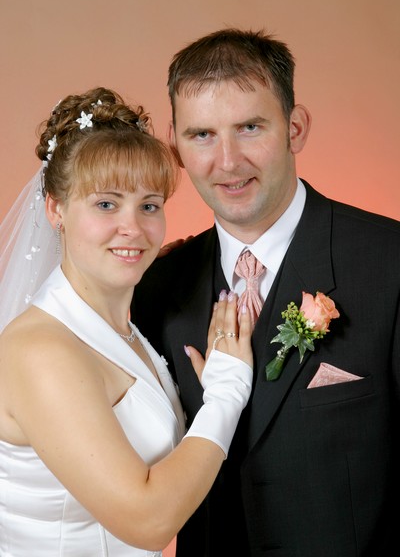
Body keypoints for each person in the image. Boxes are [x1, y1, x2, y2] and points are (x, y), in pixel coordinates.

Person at [131, 28, 400, 557]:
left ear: (295, 128)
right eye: (202, 135)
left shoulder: (389, 262)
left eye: (249, 127)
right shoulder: (155, 288)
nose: (228, 161)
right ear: (175, 145)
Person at [0, 86, 254, 556]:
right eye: (106, 204)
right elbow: (149, 521)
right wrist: (226, 395)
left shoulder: (131, 335)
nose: (133, 228)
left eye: (149, 205)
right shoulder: (40, 350)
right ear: (56, 209)